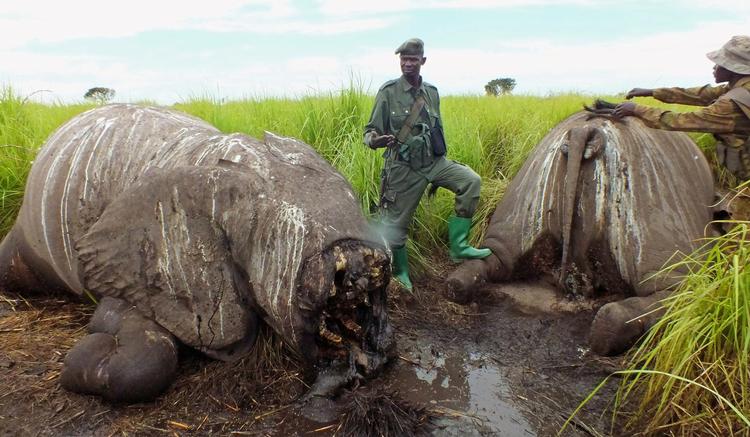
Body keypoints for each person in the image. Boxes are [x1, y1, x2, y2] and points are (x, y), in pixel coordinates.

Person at [363, 38, 490, 291]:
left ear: (423, 60)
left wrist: (440, 157)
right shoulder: (388, 92)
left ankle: (459, 246)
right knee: (395, 226)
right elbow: (369, 132)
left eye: (412, 59)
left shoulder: (431, 92)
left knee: (470, 181)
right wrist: (377, 140)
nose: (407, 64)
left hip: (434, 162)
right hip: (403, 167)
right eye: (403, 59)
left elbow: (436, 128)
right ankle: (401, 273)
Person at [613, 35, 750, 180]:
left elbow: (680, 120)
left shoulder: (731, 104)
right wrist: (652, 92)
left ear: (733, 69)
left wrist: (636, 109)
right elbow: (700, 94)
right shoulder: (741, 88)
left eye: (720, 63)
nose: (714, 67)